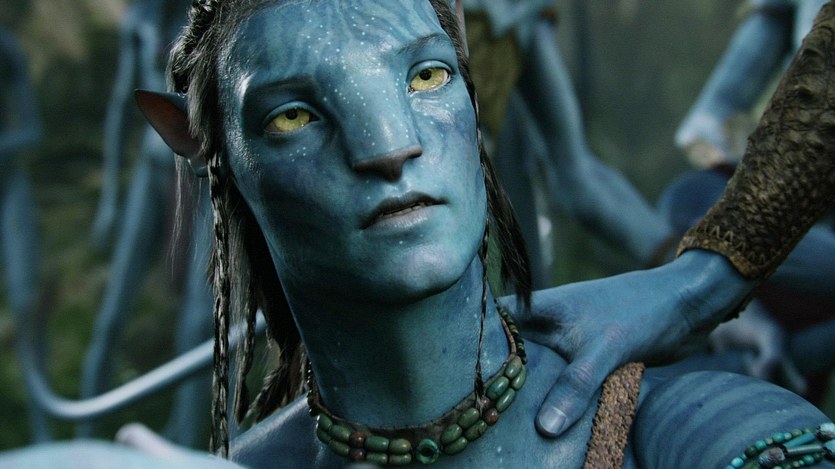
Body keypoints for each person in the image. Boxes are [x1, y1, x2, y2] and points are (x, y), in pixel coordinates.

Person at [134, 0, 835, 466]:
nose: (389, 147)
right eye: (293, 116)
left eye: (427, 75)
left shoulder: (687, 431)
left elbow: (580, 176)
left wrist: (696, 284)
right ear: (200, 144)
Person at [78, 0, 213, 446]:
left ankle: (186, 439)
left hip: (206, 179)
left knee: (199, 321)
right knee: (112, 310)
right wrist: (110, 201)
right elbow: (123, 104)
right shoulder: (141, 19)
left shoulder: (214, 13)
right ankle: (84, 433)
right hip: (152, 172)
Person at [0, 24, 49, 443]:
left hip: (9, 191)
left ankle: (41, 426)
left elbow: (33, 130)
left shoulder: (7, 51)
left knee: (25, 300)